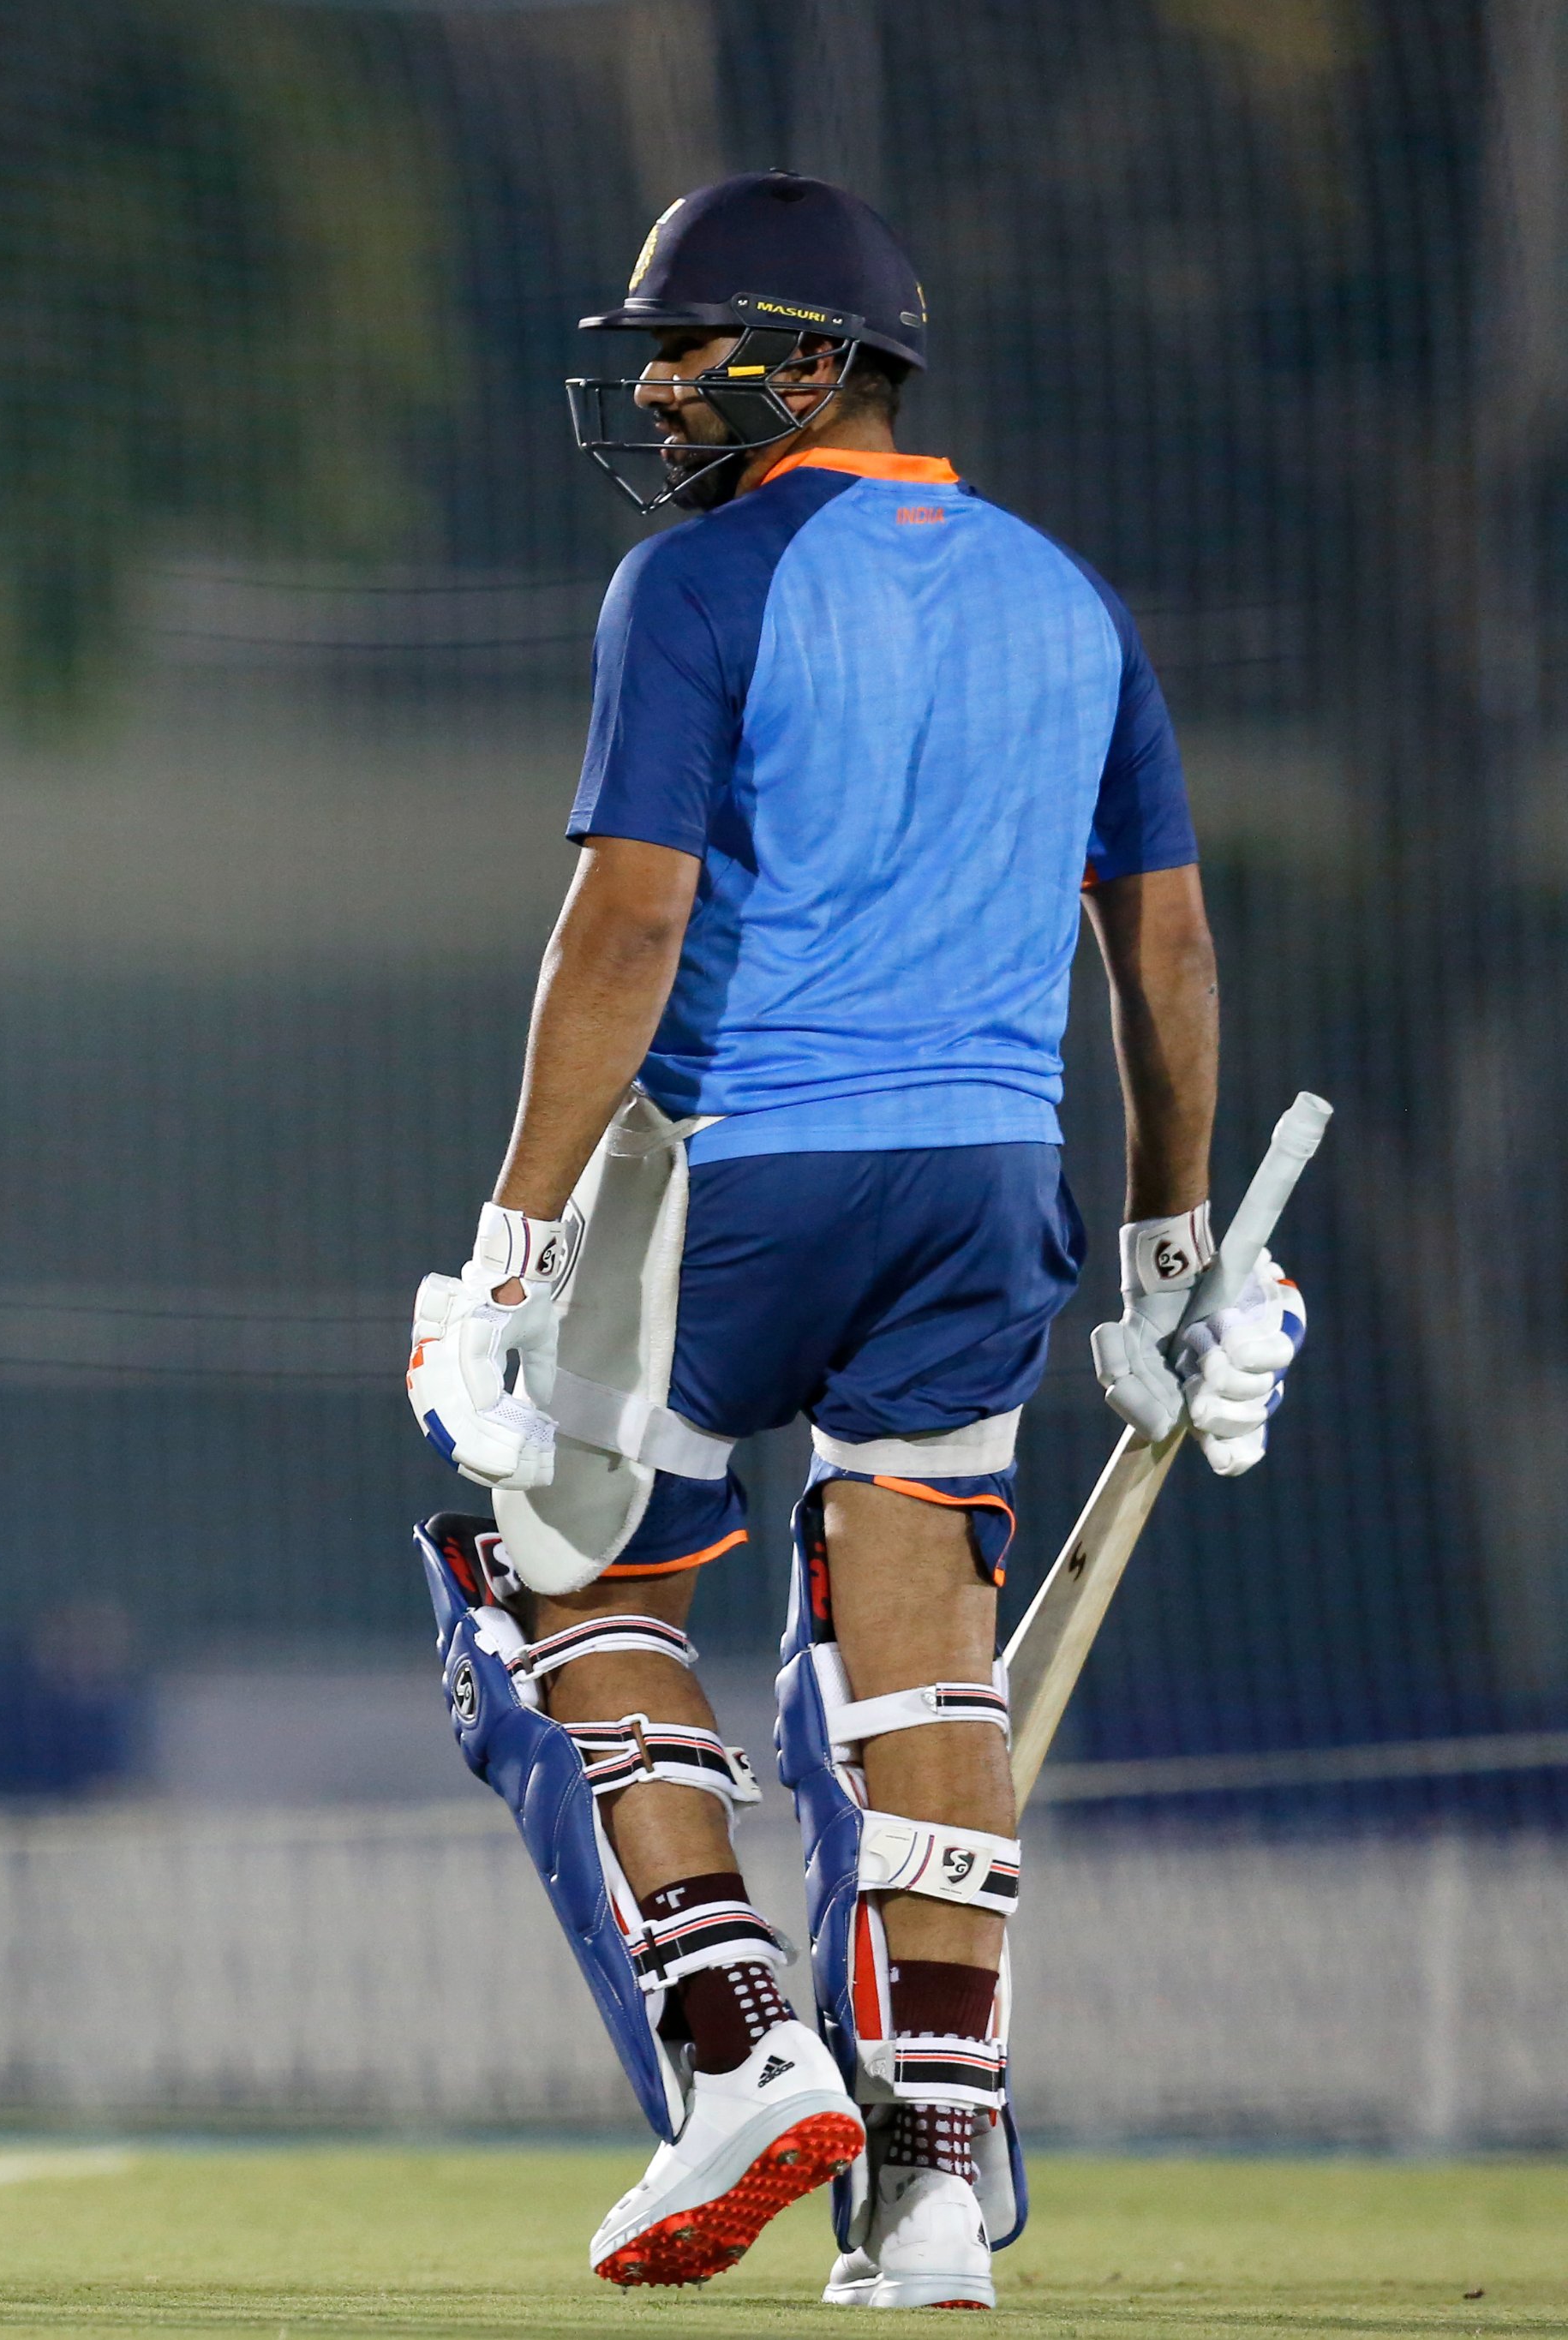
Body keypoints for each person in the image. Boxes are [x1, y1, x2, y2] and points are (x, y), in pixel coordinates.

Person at [406, 171, 1308, 2309]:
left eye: (684, 342)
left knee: (559, 1568)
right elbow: (1163, 947)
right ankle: (929, 2192)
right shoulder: (1068, 597)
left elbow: (627, 920)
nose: (647, 381)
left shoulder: (699, 582)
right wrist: (1174, 1253)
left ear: (811, 360)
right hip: (988, 1180)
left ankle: (736, 2051)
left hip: (740, 1166)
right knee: (921, 1658)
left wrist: (510, 1247)